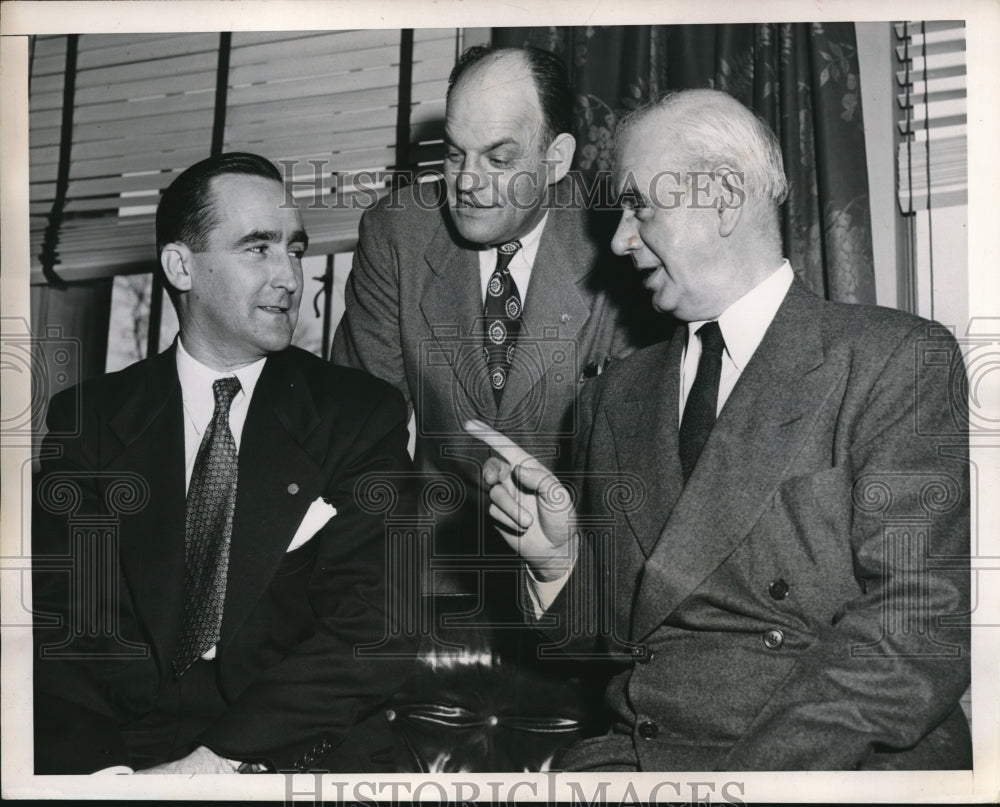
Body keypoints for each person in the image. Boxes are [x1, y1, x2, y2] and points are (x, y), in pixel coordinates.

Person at [468, 88, 972, 770]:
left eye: (640, 204)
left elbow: (916, 626)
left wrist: (749, 783)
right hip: (640, 761)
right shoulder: (617, 392)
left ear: (725, 198)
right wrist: (558, 561)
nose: (618, 239)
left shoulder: (893, 360)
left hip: (829, 762)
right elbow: (617, 642)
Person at [32, 153, 415, 774]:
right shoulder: (92, 420)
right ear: (182, 267)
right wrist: (108, 778)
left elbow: (375, 630)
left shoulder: (359, 415)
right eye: (257, 248)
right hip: (123, 755)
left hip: (294, 752)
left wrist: (213, 764)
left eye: (294, 249)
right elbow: (55, 622)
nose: (290, 277)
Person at [332, 45, 657, 597]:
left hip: (587, 575)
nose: (467, 183)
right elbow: (360, 433)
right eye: (455, 154)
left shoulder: (622, 238)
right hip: (429, 573)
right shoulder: (397, 234)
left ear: (555, 160)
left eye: (499, 160)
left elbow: (642, 452)